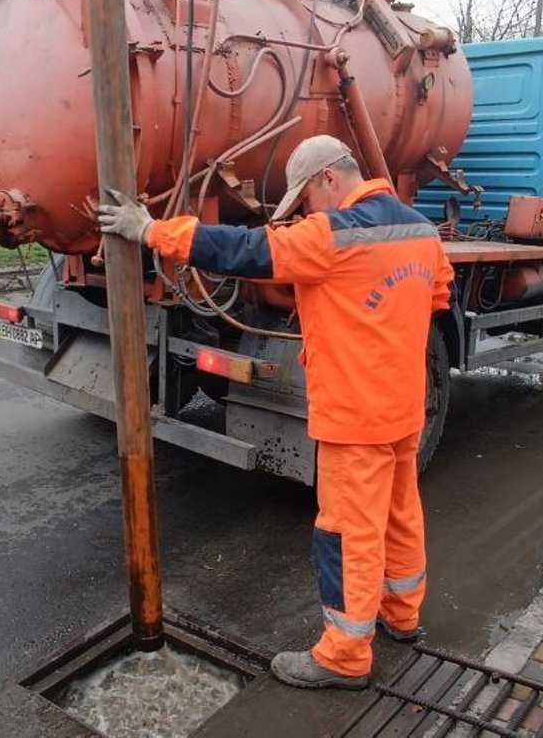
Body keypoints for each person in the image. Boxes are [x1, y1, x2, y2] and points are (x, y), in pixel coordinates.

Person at [98, 135, 454, 690]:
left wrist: (150, 231)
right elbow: (435, 299)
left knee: (346, 533)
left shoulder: (330, 236)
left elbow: (241, 250)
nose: (307, 212)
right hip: (404, 410)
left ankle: (344, 656)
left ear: (328, 181)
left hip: (353, 418)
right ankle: (402, 615)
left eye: (307, 200)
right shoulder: (423, 233)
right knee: (399, 513)